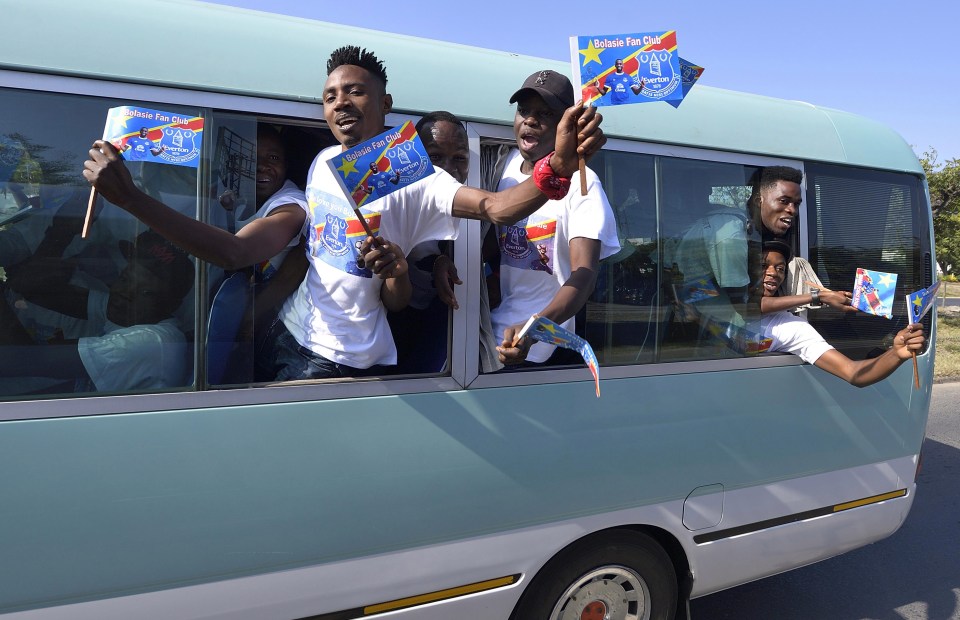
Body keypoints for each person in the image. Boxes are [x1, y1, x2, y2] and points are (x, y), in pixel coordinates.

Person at [82, 46, 606, 380]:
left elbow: (497, 208)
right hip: (287, 335)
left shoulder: (416, 172)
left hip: (338, 365)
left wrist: (556, 167)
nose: (340, 103)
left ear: (385, 102)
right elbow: (236, 250)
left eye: (355, 91)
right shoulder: (322, 163)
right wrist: (131, 199)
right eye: (330, 95)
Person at [491, 69, 620, 366]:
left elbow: (584, 274)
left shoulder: (583, 184)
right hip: (490, 333)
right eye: (523, 111)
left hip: (543, 346)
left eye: (545, 113)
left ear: (568, 124)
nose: (530, 120)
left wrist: (535, 329)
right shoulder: (501, 166)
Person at [0, 227, 193, 393]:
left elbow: (22, 360)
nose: (125, 292)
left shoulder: (150, 342)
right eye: (125, 279)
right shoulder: (131, 312)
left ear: (172, 305)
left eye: (146, 292)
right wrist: (61, 232)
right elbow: (30, 289)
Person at [757, 240, 924, 387]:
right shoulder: (731, 308)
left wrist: (896, 354)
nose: (773, 273)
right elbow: (751, 306)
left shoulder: (789, 326)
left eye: (780, 268)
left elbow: (853, 373)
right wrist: (819, 296)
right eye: (762, 266)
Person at [388, 111, 467, 373]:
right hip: (393, 323)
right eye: (434, 157)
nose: (449, 170)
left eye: (459, 159)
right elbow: (418, 251)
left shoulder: (469, 199)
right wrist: (437, 262)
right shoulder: (396, 200)